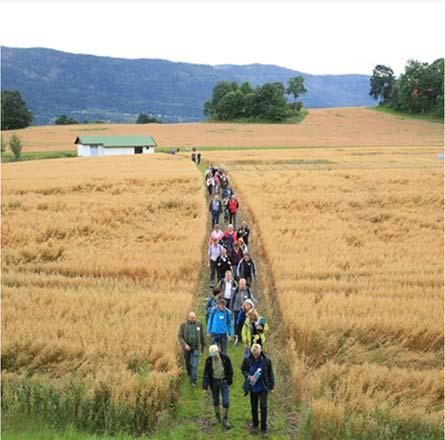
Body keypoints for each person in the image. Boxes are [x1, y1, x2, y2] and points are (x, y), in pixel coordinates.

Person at [241, 344, 274, 437]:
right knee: (254, 407)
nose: (256, 356)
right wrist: (248, 376)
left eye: (257, 354)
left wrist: (272, 387)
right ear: (252, 353)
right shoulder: (247, 359)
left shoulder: (267, 360)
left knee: (263, 407)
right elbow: (243, 369)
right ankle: (255, 425)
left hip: (263, 387)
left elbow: (271, 374)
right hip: (253, 387)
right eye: (254, 354)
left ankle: (264, 429)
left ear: (260, 352)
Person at [203, 344, 233, 429]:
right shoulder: (208, 361)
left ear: (218, 351)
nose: (214, 357)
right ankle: (217, 418)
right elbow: (206, 374)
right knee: (215, 400)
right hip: (214, 382)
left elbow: (230, 370)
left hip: (224, 381)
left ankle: (225, 419)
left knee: (226, 401)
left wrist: (228, 381)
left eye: (215, 355)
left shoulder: (225, 358)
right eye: (212, 355)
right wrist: (205, 387)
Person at [178, 311, 206, 387]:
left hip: (196, 347)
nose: (193, 319)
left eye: (194, 318)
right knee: (188, 362)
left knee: (194, 364)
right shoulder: (183, 325)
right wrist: (184, 345)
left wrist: (203, 346)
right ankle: (189, 372)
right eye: (192, 318)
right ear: (188, 318)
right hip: (187, 348)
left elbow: (202, 335)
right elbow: (180, 336)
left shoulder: (199, 324)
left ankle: (193, 381)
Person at [231, 278, 256, 344]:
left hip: (246, 310)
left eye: (242, 284)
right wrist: (232, 308)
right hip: (237, 309)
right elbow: (232, 299)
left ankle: (244, 337)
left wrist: (252, 308)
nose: (241, 285)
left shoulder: (248, 290)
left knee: (244, 323)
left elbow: (252, 299)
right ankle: (237, 337)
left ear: (245, 284)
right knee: (237, 323)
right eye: (240, 284)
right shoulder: (236, 290)